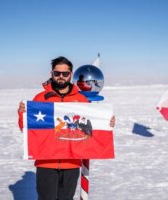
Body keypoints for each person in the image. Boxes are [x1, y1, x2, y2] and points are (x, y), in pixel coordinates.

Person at [18, 56, 115, 200]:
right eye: (57, 73)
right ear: (51, 74)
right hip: (46, 162)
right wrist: (23, 114)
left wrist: (107, 122)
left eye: (65, 73)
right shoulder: (40, 98)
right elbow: (26, 128)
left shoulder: (82, 100)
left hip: (72, 162)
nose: (61, 77)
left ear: (71, 74)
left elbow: (90, 126)